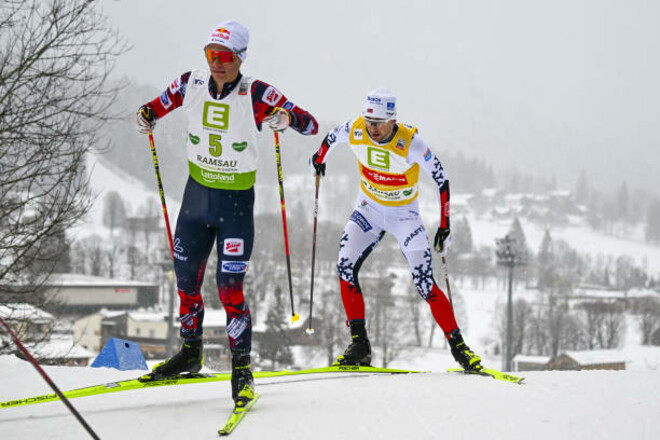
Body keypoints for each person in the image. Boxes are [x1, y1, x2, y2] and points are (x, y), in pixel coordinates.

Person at [135, 20, 318, 406]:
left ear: (240, 58)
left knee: (229, 289)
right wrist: (145, 116)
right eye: (211, 55)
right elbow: (154, 107)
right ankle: (189, 353)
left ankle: (241, 369)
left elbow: (309, 123)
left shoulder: (258, 93)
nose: (217, 63)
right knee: (186, 281)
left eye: (226, 57)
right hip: (195, 198)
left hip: (235, 204)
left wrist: (285, 119)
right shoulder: (192, 83)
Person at [309, 88, 482, 371]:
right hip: (369, 211)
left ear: (393, 120)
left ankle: (460, 348)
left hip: (405, 217)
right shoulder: (355, 129)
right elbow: (330, 138)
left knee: (425, 283)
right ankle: (359, 345)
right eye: (369, 123)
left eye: (378, 124)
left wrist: (445, 225)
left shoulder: (410, 143)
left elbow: (442, 179)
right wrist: (318, 158)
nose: (372, 129)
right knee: (344, 265)